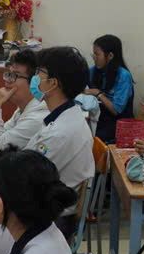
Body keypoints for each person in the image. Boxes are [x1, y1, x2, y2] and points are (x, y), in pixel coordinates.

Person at [23, 47, 95, 191]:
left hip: (48, 207)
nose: (34, 77)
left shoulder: (59, 133)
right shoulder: (67, 115)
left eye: (39, 72)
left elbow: (27, 177)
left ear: (53, 83)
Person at [0, 49, 48, 151]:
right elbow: (0, 133)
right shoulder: (23, 108)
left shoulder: (36, 118)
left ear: (35, 81)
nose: (7, 81)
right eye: (9, 74)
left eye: (15, 75)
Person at [83, 35, 134, 144]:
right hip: (101, 118)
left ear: (110, 55)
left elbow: (116, 110)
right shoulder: (94, 70)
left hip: (119, 124)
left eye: (97, 54)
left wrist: (98, 93)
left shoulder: (123, 76)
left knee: (89, 139)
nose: (94, 58)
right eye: (93, 54)